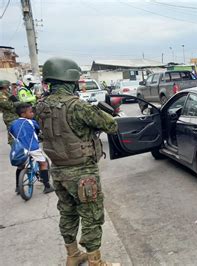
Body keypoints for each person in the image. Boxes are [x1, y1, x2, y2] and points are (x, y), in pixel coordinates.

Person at [35, 57, 119, 266]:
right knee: (91, 216)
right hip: (82, 172)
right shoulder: (77, 106)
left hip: (58, 170)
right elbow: (111, 126)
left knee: (67, 212)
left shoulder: (40, 106)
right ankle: (96, 262)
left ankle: (73, 256)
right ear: (71, 80)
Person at [9, 103, 54, 194]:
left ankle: (18, 187)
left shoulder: (13, 123)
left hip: (20, 149)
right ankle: (47, 186)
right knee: (43, 163)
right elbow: (38, 131)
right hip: (32, 148)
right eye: (30, 112)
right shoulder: (31, 122)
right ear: (23, 114)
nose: (33, 113)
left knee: (20, 166)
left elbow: (11, 133)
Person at [0, 80, 19, 144]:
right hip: (9, 117)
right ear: (5, 86)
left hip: (14, 115)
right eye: (8, 86)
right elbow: (8, 105)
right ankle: (14, 149)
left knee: (17, 133)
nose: (9, 87)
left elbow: (15, 99)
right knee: (12, 135)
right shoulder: (1, 95)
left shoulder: (7, 93)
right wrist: (17, 103)